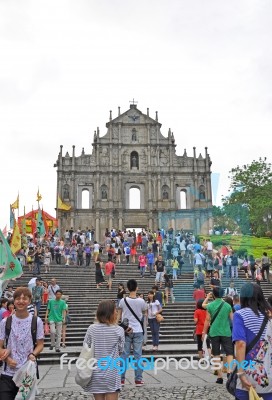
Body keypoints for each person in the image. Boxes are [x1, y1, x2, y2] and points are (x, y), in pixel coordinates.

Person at [0, 287, 44, 400]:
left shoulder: (36, 321)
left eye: (25, 298)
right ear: (13, 301)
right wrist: (7, 359)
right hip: (8, 373)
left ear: (29, 301)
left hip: (27, 372)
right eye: (18, 298)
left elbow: (40, 344)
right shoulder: (6, 322)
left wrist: (33, 354)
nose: (21, 301)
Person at [232, 282, 272, 400]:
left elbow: (240, 344)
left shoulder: (240, 315)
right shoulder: (269, 315)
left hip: (249, 373)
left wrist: (241, 373)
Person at [83, 300, 125, 399]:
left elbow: (86, 347)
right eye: (115, 310)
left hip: (95, 372)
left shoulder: (91, 329)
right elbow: (120, 350)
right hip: (112, 372)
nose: (116, 312)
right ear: (110, 313)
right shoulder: (119, 330)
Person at [118, 279, 148, 387]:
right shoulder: (141, 301)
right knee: (138, 355)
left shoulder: (123, 301)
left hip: (126, 330)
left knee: (124, 355)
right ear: (136, 288)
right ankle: (138, 380)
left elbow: (119, 315)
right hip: (138, 330)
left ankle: (121, 380)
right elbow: (144, 312)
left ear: (127, 288)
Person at [202, 287, 234, 384]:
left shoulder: (210, 306)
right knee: (229, 353)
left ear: (214, 295)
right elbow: (233, 320)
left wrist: (204, 332)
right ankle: (229, 371)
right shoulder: (228, 306)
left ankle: (219, 377)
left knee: (216, 354)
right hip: (226, 332)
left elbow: (207, 320)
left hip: (214, 332)